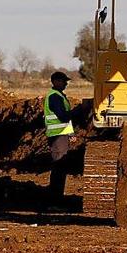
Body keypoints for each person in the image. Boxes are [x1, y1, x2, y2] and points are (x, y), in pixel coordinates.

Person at [44, 71, 75, 200]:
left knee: (60, 168)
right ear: (56, 81)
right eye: (64, 81)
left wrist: (71, 133)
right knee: (59, 168)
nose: (66, 84)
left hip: (61, 135)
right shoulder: (55, 97)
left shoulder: (59, 95)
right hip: (57, 136)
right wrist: (78, 111)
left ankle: (56, 198)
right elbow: (63, 117)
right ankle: (55, 199)